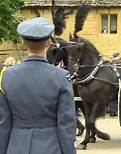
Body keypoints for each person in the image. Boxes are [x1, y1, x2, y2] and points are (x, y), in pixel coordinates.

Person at [0, 17, 76, 154]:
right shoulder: (61, 77)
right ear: (48, 43)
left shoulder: (6, 76)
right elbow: (66, 124)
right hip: (51, 147)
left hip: (16, 146)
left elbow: (3, 123)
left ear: (23, 43)